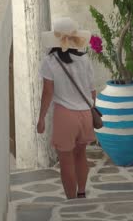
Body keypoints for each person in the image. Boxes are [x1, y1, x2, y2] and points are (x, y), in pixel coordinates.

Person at [37, 17, 96, 199]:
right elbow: (92, 91)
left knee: (66, 160)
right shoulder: (84, 58)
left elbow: (48, 92)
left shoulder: (50, 61)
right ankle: (81, 193)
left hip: (65, 115)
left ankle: (71, 201)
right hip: (85, 114)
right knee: (81, 155)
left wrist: (41, 119)